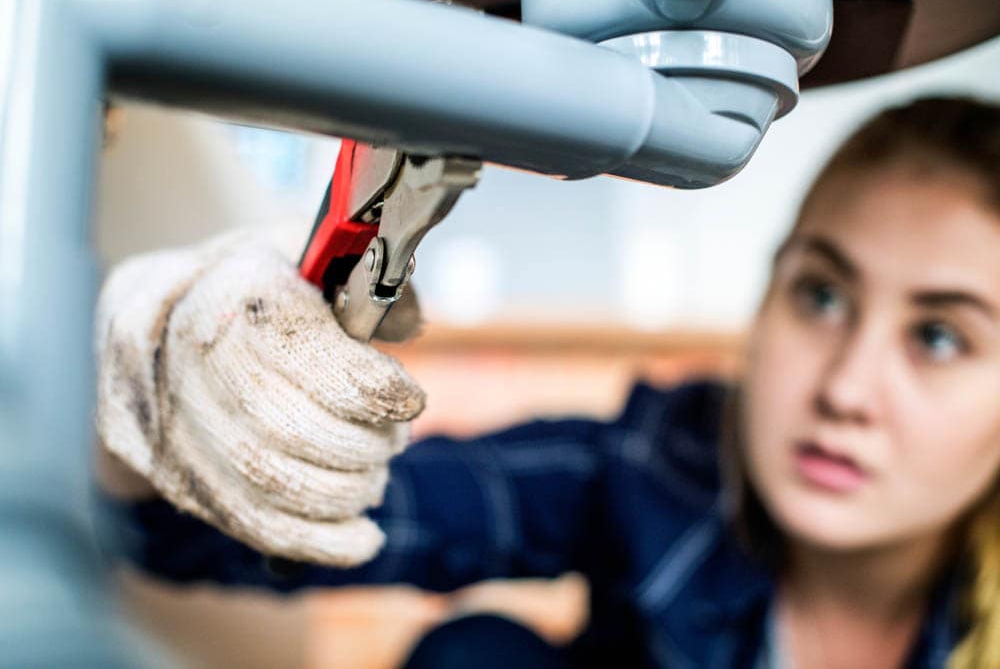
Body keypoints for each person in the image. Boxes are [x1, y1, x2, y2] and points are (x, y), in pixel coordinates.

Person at [95, 96, 1000, 668]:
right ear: (767, 298)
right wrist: (165, 401)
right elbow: (308, 523)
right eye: (823, 295)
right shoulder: (656, 466)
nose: (847, 389)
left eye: (939, 337)